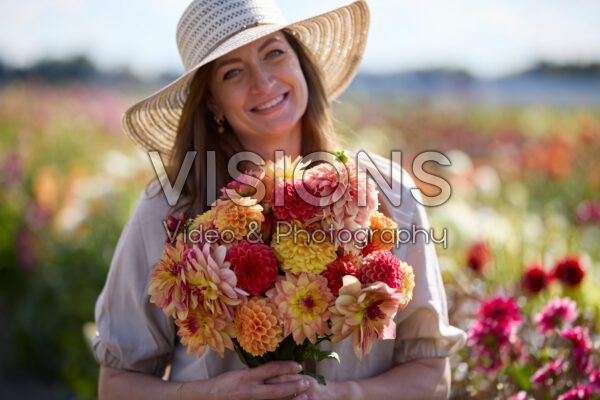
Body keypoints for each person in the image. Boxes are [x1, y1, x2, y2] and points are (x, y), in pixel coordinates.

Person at [93, 0, 467, 399]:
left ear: (301, 63)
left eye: (274, 52)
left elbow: (431, 376)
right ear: (212, 101)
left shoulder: (388, 192)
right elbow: (116, 385)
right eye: (232, 72)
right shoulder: (169, 208)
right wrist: (214, 394)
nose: (263, 82)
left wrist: (342, 395)